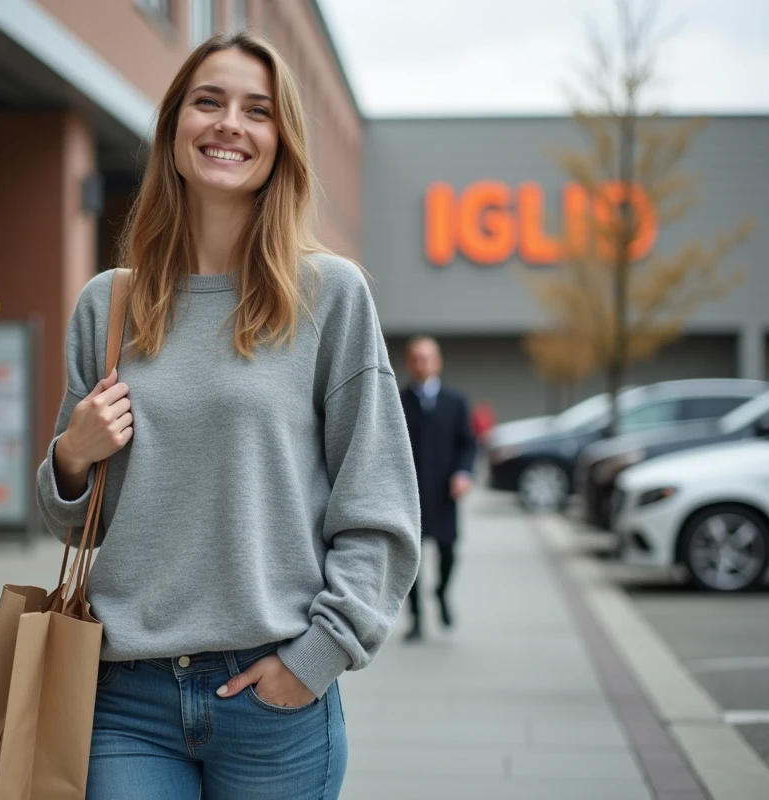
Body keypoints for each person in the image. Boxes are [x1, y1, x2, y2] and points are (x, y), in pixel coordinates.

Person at [36, 32, 421, 800]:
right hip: (126, 698)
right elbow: (77, 524)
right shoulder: (107, 305)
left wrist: (317, 660)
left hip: (273, 694)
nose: (229, 125)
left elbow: (378, 504)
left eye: (258, 111)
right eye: (208, 102)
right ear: (174, 125)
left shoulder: (330, 296)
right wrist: (72, 458)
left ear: (282, 143)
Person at [399, 336, 476, 642]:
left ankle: (442, 593)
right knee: (411, 561)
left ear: (438, 361)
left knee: (448, 551)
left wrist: (463, 473)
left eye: (428, 357)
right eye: (416, 357)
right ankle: (416, 619)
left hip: (445, 493)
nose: (423, 363)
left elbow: (468, 443)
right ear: (409, 363)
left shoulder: (455, 402)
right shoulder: (398, 400)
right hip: (410, 495)